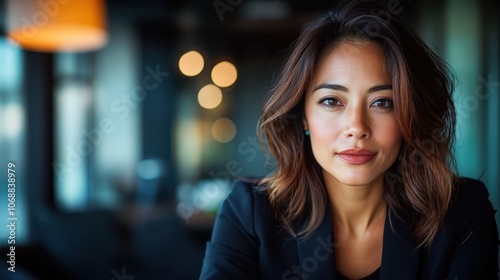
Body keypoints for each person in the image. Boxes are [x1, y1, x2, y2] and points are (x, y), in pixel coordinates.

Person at [199, 0, 499, 279]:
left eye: (383, 103)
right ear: (302, 116)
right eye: (331, 101)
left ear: (411, 115)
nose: (356, 127)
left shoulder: (462, 213)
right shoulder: (248, 213)